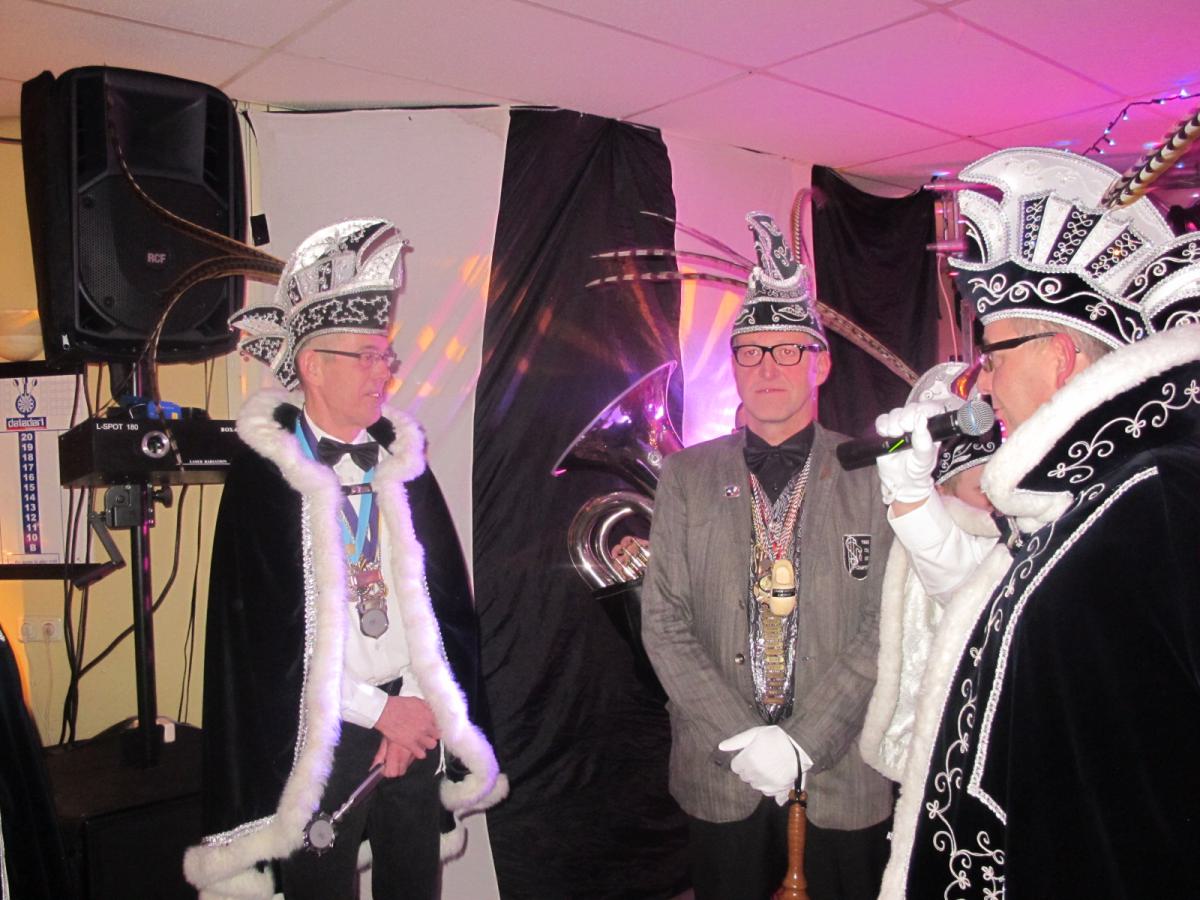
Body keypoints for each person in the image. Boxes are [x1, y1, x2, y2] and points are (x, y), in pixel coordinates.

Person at [871, 147, 1200, 898]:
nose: (983, 382)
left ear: (1058, 357)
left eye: (992, 355)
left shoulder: (1157, 495)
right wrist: (911, 498)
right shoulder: (1080, 497)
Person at [184, 220, 506, 900]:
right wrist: (378, 713)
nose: (384, 372)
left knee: (413, 885)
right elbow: (265, 644)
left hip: (413, 717)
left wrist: (413, 704)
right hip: (322, 735)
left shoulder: (401, 465)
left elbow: (438, 604)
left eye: (385, 356)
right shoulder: (265, 480)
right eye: (366, 356)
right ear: (313, 365)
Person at [642, 212, 894, 900]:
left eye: (787, 350)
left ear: (821, 362)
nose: (768, 367)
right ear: (734, 366)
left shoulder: (874, 471)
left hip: (841, 771)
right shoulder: (685, 475)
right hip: (721, 769)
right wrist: (741, 737)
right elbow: (663, 621)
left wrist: (805, 741)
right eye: (750, 352)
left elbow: (887, 623)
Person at [859, 362, 999, 783]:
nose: (994, 503)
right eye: (984, 490)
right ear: (942, 489)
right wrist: (912, 498)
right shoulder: (911, 540)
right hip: (938, 762)